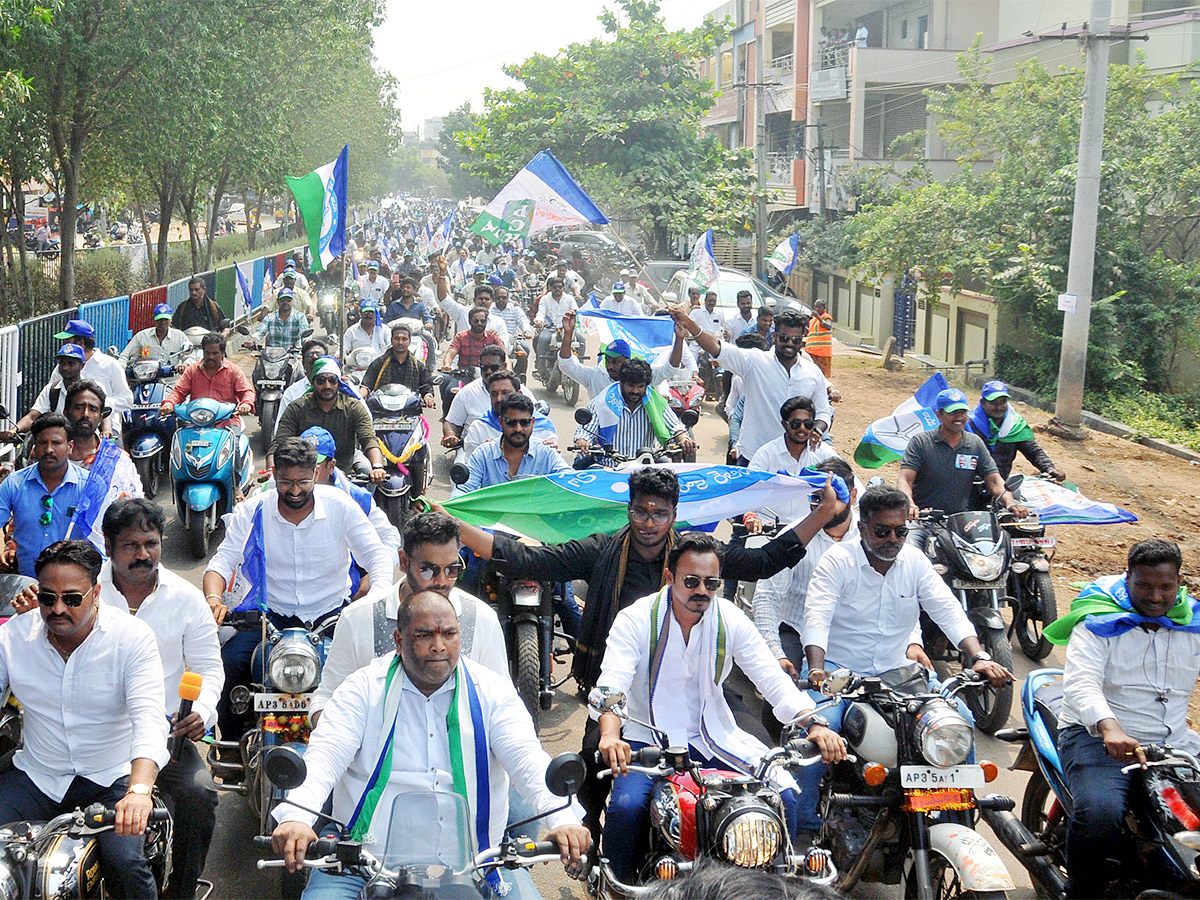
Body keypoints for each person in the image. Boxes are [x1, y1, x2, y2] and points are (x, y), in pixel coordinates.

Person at [437, 467, 845, 840]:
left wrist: (811, 722)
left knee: (774, 789)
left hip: (706, 707)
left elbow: (764, 571)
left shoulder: (717, 595)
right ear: (670, 578)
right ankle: (598, 857)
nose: (649, 523)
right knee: (613, 793)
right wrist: (454, 525)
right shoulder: (630, 605)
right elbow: (535, 560)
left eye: (660, 514)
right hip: (628, 708)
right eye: (641, 512)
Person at [270, 591, 591, 899]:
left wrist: (562, 820)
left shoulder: (491, 691)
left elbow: (528, 758)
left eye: (449, 634)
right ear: (399, 640)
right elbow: (324, 756)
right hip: (362, 863)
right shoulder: (363, 688)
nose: (439, 646)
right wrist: (296, 816)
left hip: (478, 865)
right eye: (424, 635)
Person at [595, 532, 847, 880]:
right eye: (691, 581)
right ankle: (618, 886)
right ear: (669, 578)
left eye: (711, 582)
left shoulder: (728, 617)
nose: (702, 591)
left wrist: (814, 724)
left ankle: (772, 885)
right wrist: (610, 737)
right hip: (646, 740)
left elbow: (770, 677)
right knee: (627, 808)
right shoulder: (635, 619)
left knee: (781, 796)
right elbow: (613, 684)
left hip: (713, 735)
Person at [798, 485, 1015, 835]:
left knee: (960, 722)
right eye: (882, 531)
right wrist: (818, 670)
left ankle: (955, 822)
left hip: (898, 674)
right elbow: (816, 618)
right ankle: (803, 837)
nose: (892, 539)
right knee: (813, 746)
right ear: (863, 527)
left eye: (900, 531)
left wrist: (979, 656)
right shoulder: (837, 561)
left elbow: (947, 609)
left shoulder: (914, 561)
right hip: (838, 674)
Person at [0, 539, 168, 899]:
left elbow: (150, 721)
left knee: (125, 864)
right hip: (37, 777)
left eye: (72, 598)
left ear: (96, 593)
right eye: (47, 598)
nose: (57, 608)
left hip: (111, 781)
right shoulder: (12, 636)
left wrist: (139, 792)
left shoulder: (132, 639)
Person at [203, 438, 394, 748]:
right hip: (269, 618)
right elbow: (221, 563)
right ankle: (232, 751)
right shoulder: (252, 511)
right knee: (230, 664)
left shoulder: (340, 505)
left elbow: (378, 557)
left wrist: (375, 600)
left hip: (331, 617)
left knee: (367, 677)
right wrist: (214, 599)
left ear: (316, 473)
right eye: (286, 482)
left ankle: (363, 750)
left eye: (304, 482)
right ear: (274, 474)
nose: (294, 491)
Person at [1048, 538, 1200, 899]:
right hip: (1099, 738)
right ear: (1128, 577)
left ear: (1180, 583)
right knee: (1100, 814)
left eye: (1166, 587)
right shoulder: (1098, 620)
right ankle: (1081, 892)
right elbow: (1082, 683)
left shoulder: (1192, 622)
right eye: (1145, 585)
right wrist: (1109, 726)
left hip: (1173, 743)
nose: (1156, 596)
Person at [97, 499, 223, 900]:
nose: (143, 554)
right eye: (130, 545)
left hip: (164, 739)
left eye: (151, 543)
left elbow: (209, 667)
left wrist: (201, 711)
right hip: (92, 737)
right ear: (108, 545)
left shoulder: (185, 599)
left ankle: (181, 890)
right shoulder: (85, 590)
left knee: (200, 795)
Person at [310, 511, 508, 723]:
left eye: (452, 570)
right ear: (403, 561)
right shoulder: (358, 618)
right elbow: (328, 697)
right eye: (428, 570)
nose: (442, 581)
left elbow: (502, 703)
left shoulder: (481, 618)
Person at [674, 307, 830, 465]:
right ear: (774, 336)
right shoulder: (754, 361)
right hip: (753, 457)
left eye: (796, 339)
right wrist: (689, 323)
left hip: (797, 462)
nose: (790, 343)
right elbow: (718, 348)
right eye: (784, 338)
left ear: (802, 339)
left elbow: (823, 412)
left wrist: (816, 430)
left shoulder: (813, 372)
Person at [752, 457, 860, 678]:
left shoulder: (872, 537)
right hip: (796, 630)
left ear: (853, 496)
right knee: (782, 692)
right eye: (817, 498)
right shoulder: (792, 537)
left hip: (850, 637)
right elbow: (766, 598)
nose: (824, 506)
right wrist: (775, 654)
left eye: (832, 497)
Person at [897, 387, 1029, 547]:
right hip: (922, 521)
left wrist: (1010, 502)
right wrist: (910, 504)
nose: (959, 417)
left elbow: (995, 481)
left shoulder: (974, 444)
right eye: (953, 413)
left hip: (961, 522)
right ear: (939, 415)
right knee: (910, 555)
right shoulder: (921, 442)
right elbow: (905, 479)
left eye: (962, 412)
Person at [269, 356, 386, 482]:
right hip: (304, 471)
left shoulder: (353, 407)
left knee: (367, 469)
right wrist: (271, 471)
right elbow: (279, 443)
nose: (327, 385)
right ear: (313, 382)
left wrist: (377, 467)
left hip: (346, 466)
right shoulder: (297, 408)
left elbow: (369, 439)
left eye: (332, 380)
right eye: (321, 380)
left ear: (339, 383)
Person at [0, 415, 87, 577]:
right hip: (25, 586)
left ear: (70, 446)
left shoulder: (88, 486)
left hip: (72, 587)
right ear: (34, 447)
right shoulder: (15, 483)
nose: (49, 450)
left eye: (56, 443)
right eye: (42, 443)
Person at [300, 426, 400, 559]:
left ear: (331, 465)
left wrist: (379, 570)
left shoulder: (356, 497)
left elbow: (389, 536)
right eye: (301, 463)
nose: (306, 471)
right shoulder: (281, 493)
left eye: (313, 464)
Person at [572, 359, 696, 460]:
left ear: (646, 386)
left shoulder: (655, 402)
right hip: (608, 467)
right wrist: (582, 441)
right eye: (631, 386)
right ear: (622, 383)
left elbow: (675, 425)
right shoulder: (603, 402)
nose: (635, 391)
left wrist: (683, 438)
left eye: (640, 386)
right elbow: (586, 431)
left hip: (646, 467)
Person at [745, 397, 840, 526]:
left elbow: (849, 481)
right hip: (769, 527)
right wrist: (750, 516)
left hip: (809, 530)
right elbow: (747, 488)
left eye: (808, 424)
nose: (802, 428)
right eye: (796, 423)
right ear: (784, 424)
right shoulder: (767, 453)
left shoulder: (823, 452)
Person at [453, 394, 570, 496]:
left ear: (533, 423)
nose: (518, 429)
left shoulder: (547, 453)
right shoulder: (483, 454)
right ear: (501, 422)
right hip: (491, 520)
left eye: (524, 422)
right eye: (511, 422)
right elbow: (463, 491)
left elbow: (571, 482)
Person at [966, 381, 1064, 482]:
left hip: (1001, 485)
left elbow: (1033, 451)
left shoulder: (1015, 425)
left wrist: (1050, 468)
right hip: (972, 484)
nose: (999, 407)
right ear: (982, 402)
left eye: (1003, 402)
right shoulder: (969, 425)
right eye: (994, 403)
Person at [63, 380, 143, 504]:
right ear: (66, 412)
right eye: (79, 407)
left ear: (101, 417)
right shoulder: (49, 454)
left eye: (93, 409)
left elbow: (135, 509)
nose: (85, 414)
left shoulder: (119, 461)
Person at [53, 318, 133, 438]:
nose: (64, 345)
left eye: (67, 341)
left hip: (106, 430)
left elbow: (127, 400)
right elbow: (53, 393)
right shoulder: (61, 368)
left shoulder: (110, 365)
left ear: (80, 343)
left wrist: (99, 404)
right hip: (67, 427)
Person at [442, 346, 536, 447]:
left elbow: (539, 423)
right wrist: (450, 435)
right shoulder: (467, 393)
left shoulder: (524, 393)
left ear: (504, 366)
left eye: (494, 367)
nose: (489, 372)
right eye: (484, 368)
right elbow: (451, 422)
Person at [160, 332, 255, 430]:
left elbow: (247, 391)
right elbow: (179, 392)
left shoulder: (233, 371)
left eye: (215, 353)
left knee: (237, 442)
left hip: (226, 421)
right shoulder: (192, 370)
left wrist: (246, 404)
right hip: (196, 421)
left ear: (223, 353)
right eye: (207, 353)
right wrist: (169, 403)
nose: (210, 357)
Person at [460, 370, 558, 459]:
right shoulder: (479, 428)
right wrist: (484, 455)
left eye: (505, 393)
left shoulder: (545, 428)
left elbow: (555, 474)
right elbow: (471, 470)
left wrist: (552, 455)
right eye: (494, 394)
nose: (499, 399)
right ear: (501, 422)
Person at [13, 344, 86, 433]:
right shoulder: (51, 390)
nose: (65, 367)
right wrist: (14, 430)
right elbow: (32, 417)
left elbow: (104, 414)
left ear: (82, 366)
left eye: (71, 363)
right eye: (62, 363)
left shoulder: (90, 389)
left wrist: (106, 430)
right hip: (58, 440)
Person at [360, 321, 435, 405]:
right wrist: (359, 397)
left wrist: (428, 396)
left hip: (409, 410)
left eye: (404, 339)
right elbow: (366, 385)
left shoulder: (418, 366)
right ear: (391, 340)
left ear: (409, 341)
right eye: (397, 339)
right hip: (382, 410)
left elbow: (425, 387)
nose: (400, 343)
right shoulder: (379, 363)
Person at [118, 304, 189, 367]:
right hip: (145, 378)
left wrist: (184, 364)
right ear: (153, 320)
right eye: (159, 319)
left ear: (171, 319)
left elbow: (190, 357)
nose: (163, 322)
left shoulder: (179, 336)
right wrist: (121, 367)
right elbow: (125, 356)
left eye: (166, 319)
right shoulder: (142, 336)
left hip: (172, 380)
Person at [442, 307, 504, 373]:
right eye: (476, 321)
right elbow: (451, 353)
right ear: (470, 321)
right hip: (464, 376)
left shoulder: (493, 337)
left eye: (482, 321)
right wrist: (447, 364)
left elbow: (504, 355)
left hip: (489, 376)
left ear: (486, 322)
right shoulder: (461, 337)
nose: (479, 323)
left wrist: (509, 370)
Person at [533, 277, 577, 363]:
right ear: (550, 288)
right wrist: (539, 321)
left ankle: (579, 368)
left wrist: (575, 314)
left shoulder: (569, 298)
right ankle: (541, 369)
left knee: (581, 340)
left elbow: (576, 310)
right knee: (543, 339)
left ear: (563, 288)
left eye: (560, 287)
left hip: (567, 329)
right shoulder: (544, 299)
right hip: (550, 328)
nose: (557, 289)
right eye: (555, 287)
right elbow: (541, 313)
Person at [491, 286, 532, 376]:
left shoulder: (515, 309)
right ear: (494, 298)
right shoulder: (490, 310)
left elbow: (523, 321)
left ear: (508, 298)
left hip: (513, 341)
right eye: (498, 298)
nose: (501, 300)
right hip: (493, 340)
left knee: (524, 352)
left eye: (504, 298)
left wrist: (527, 331)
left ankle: (519, 377)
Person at [804, 300, 834, 379]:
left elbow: (828, 326)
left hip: (822, 353)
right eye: (815, 307)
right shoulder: (812, 320)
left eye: (819, 307)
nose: (816, 309)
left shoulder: (826, 317)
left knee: (821, 376)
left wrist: (818, 317)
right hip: (811, 351)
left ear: (824, 308)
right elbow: (812, 332)